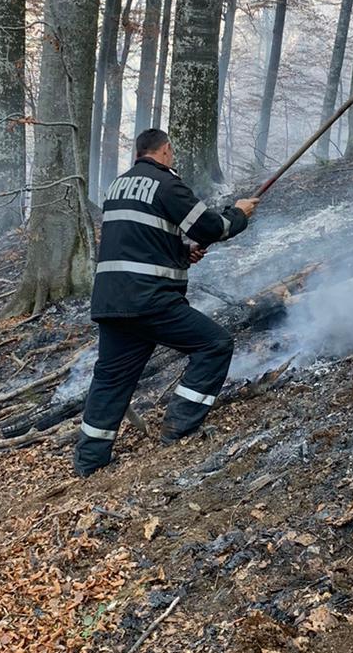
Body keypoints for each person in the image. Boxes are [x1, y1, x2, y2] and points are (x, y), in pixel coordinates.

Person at [73, 128, 258, 475]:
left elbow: (139, 240)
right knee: (215, 345)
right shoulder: (166, 183)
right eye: (171, 153)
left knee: (111, 379)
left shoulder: (117, 187)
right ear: (165, 150)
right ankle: (178, 428)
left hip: (112, 302)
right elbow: (212, 227)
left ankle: (89, 463)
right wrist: (239, 213)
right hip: (150, 300)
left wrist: (181, 252)